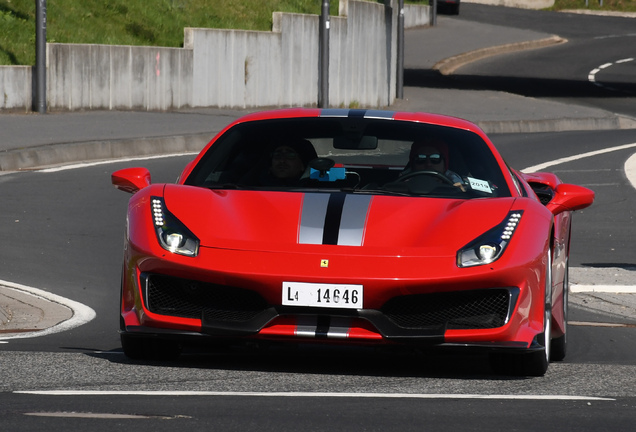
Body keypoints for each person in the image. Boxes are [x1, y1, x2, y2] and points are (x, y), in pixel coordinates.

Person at [401, 138, 465, 191]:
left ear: (445, 165)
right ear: (413, 164)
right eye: (420, 158)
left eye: (435, 158)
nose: (428, 164)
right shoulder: (399, 188)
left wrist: (460, 191)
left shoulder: (457, 186)